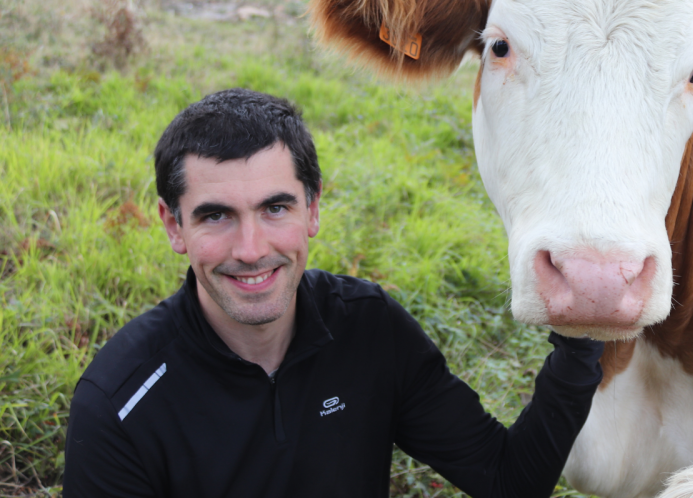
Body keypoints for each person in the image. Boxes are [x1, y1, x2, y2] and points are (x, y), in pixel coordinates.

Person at [63, 88, 604, 498]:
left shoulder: (370, 330)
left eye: (276, 208)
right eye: (216, 216)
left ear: (313, 208)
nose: (251, 249)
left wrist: (580, 342)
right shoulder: (119, 403)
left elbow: (507, 479)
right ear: (173, 225)